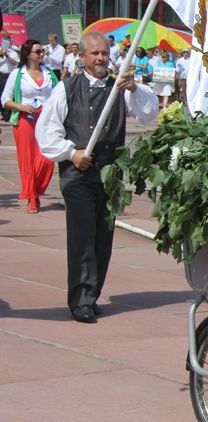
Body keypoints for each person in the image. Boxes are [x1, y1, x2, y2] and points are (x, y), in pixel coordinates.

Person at [36, 31, 159, 323]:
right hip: (77, 175)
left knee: (103, 238)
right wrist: (71, 152)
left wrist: (134, 90)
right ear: (82, 56)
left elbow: (148, 113)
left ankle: (91, 294)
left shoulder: (120, 87)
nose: (101, 58)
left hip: (110, 175)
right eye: (95, 54)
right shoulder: (66, 88)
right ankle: (80, 299)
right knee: (82, 237)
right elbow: (47, 131)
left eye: (105, 53)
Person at [1, 39, 58, 213]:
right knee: (27, 160)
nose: (42, 54)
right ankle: (32, 197)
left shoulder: (49, 73)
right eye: (38, 51)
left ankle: (36, 190)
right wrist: (21, 107)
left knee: (47, 158)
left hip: (46, 120)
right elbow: (5, 100)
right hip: (26, 119)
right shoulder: (17, 74)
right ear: (28, 54)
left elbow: (59, 95)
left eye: (42, 51)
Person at [0, 41, 19, 121]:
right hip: (0, 74)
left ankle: (7, 115)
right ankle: (3, 113)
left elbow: (16, 63)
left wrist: (6, 55)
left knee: (8, 95)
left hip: (8, 76)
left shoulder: (13, 53)